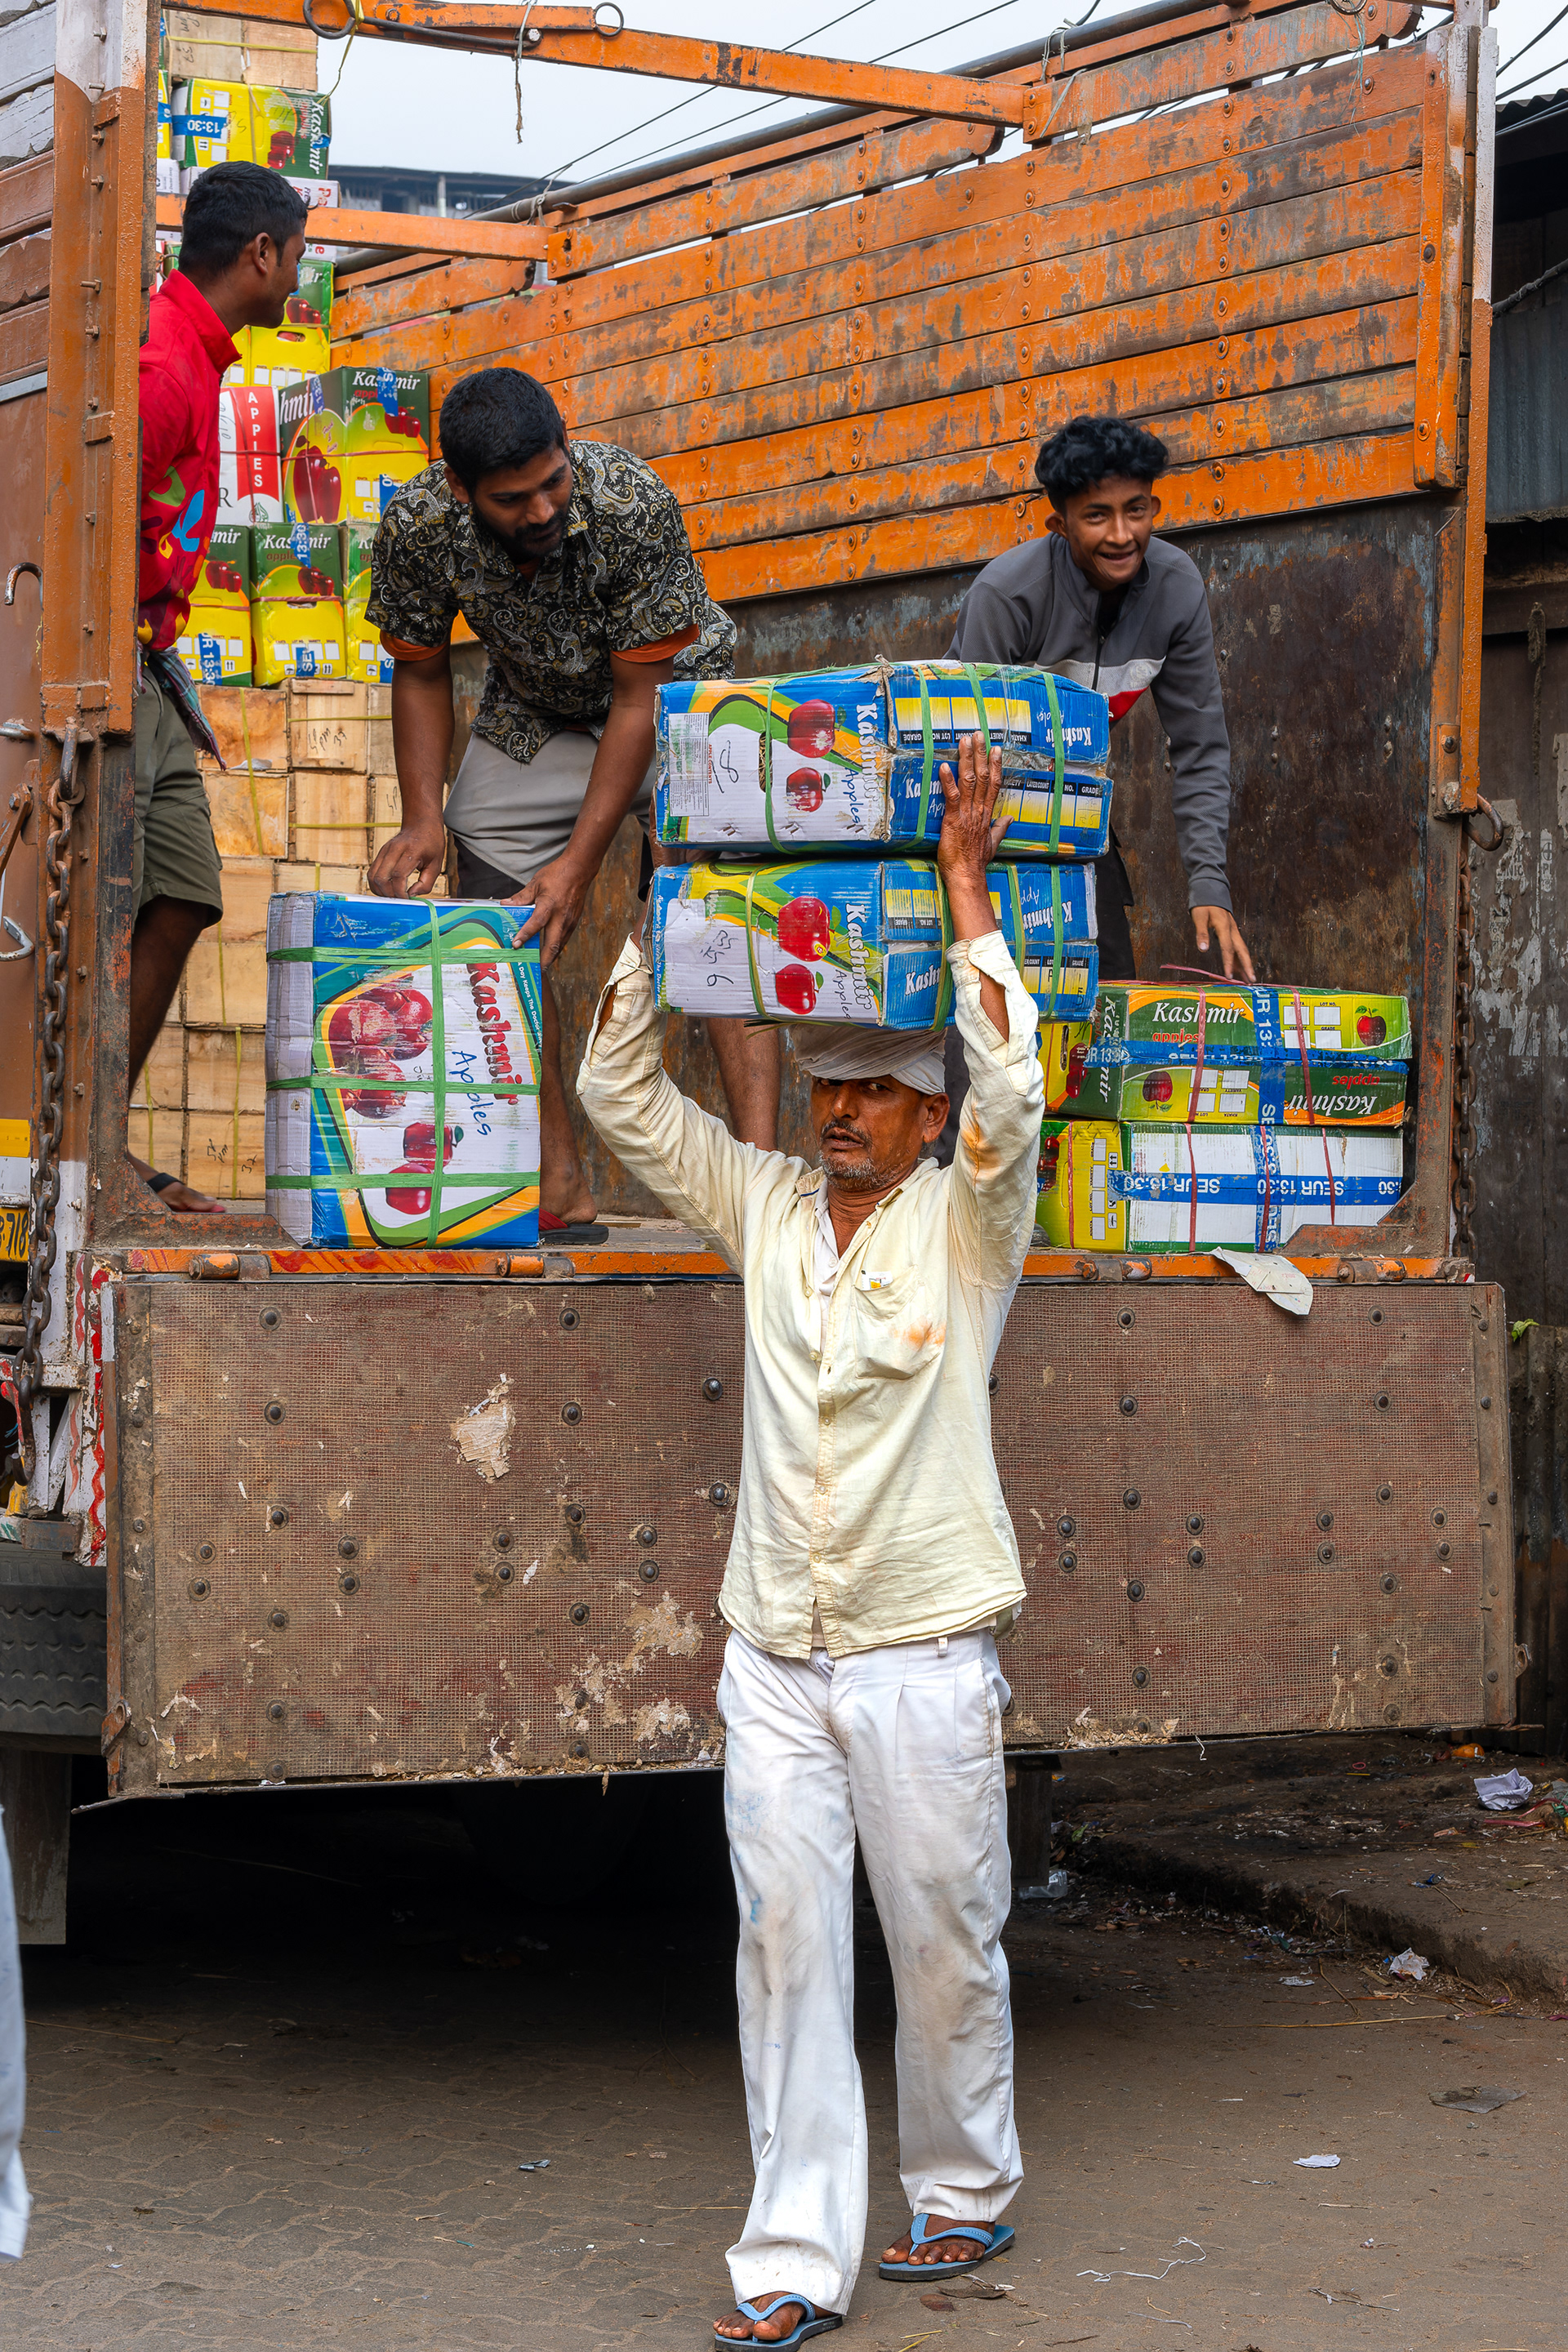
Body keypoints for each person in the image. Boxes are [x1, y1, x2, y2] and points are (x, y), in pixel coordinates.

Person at [577, 734, 1041, 2345]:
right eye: (829, 1086)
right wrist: (673, 918)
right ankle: (790, 2262)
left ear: (931, 1122)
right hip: (773, 1649)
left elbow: (1020, 1096)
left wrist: (968, 894)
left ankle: (967, 2191)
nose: (842, 1114)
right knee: (781, 1950)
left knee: (941, 1938)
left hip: (921, 1648)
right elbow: (617, 1095)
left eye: (881, 1094)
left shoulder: (972, 1226)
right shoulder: (765, 1205)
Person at [365, 367, 782, 1241]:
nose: (544, 510)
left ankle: (761, 1186)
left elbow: (639, 703)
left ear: (568, 447)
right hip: (538, 710)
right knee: (486, 901)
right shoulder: (416, 527)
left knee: (710, 909)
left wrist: (575, 869)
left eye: (554, 481)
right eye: (514, 499)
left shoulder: (630, 503)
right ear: (461, 490)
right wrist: (421, 815)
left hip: (678, 703)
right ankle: (557, 1181)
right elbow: (423, 667)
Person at [135, 159, 308, 1212]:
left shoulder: (199, 358)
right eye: (295, 255)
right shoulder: (164, 368)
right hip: (119, 668)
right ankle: (86, 1146)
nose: (299, 276)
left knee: (187, 891)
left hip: (151, 662)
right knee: (144, 900)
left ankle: (97, 1135)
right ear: (261, 255)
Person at [949, 412, 1253, 987]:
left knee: (1105, 1001)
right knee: (986, 1011)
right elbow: (969, 746)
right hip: (982, 826)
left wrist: (1209, 883)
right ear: (1059, 525)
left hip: (1080, 824)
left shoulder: (1177, 588)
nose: (1122, 534)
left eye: (1136, 510)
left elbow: (1201, 747)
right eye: (1097, 515)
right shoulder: (1007, 595)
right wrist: (969, 872)